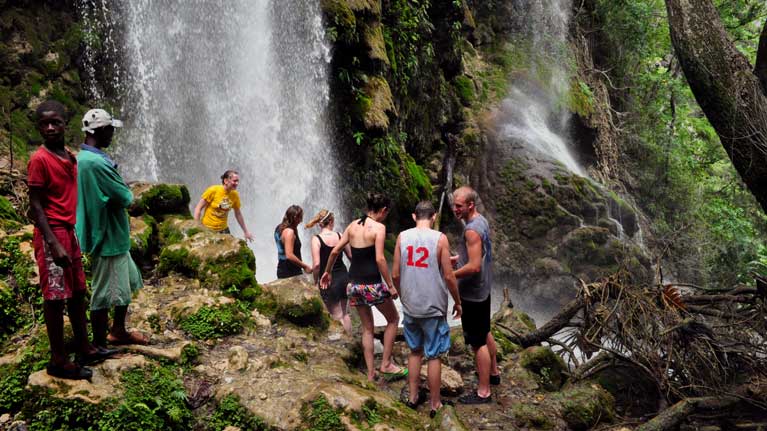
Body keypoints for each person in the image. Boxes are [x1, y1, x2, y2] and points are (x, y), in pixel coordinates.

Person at [27, 101, 111, 380]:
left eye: (56, 122)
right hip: (53, 233)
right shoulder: (39, 160)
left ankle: (84, 348)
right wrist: (52, 243)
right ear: (38, 127)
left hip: (69, 231)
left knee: (77, 293)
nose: (50, 128)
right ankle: (58, 360)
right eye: (44, 124)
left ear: (65, 124)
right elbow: (35, 206)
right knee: (54, 298)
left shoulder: (70, 157)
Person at [76, 108, 149, 348]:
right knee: (104, 294)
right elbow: (125, 196)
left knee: (126, 282)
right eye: (110, 130)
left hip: (112, 234)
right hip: (107, 236)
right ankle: (99, 344)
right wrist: (127, 192)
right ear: (100, 130)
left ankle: (118, 330)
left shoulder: (85, 158)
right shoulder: (96, 163)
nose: (112, 135)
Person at [320, 193, 406, 382]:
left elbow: (335, 251)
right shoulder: (379, 228)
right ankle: (386, 364)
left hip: (353, 285)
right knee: (393, 319)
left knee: (368, 328)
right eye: (386, 213)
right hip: (372, 284)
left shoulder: (352, 226)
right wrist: (390, 285)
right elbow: (380, 258)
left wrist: (327, 272)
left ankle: (370, 373)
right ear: (383, 210)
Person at [393, 201, 461, 418]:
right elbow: (449, 276)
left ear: (414, 216)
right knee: (433, 355)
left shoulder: (402, 237)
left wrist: (403, 294)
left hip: (411, 305)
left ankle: (413, 397)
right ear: (433, 217)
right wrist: (457, 302)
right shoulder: (440, 238)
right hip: (433, 306)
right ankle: (435, 404)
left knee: (415, 351)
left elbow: (395, 273)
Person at [452, 186, 500, 404]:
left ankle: (483, 392)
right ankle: (493, 373)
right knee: (485, 330)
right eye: (454, 205)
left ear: (470, 205)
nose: (455, 209)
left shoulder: (471, 230)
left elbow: (473, 266)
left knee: (477, 342)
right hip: (484, 289)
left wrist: (450, 274)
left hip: (472, 292)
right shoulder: (481, 220)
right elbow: (475, 253)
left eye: (459, 206)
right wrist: (457, 258)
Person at [306, 209, 352, 334]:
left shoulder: (316, 239)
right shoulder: (340, 235)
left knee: (336, 315)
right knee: (345, 313)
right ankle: (350, 341)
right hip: (344, 277)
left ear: (320, 223)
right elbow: (351, 256)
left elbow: (316, 265)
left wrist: (315, 282)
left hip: (328, 281)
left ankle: (343, 346)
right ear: (331, 221)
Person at [193, 170, 254, 241]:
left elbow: (238, 214)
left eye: (238, 181)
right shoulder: (213, 190)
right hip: (207, 228)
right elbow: (198, 208)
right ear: (226, 181)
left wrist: (246, 231)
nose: (237, 183)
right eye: (234, 181)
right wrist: (196, 227)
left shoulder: (234, 195)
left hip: (223, 230)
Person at [275, 205, 312, 278]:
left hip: (282, 268)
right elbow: (289, 255)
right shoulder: (289, 232)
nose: (301, 221)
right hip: (290, 271)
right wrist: (305, 266)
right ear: (295, 217)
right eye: (300, 218)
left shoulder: (279, 228)